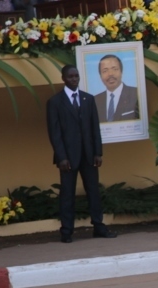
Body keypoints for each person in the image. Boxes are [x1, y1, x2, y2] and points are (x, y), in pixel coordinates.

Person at [46, 65, 117, 243]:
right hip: (68, 158)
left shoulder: (88, 99)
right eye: (70, 77)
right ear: (63, 78)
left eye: (76, 76)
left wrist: (98, 153)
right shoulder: (55, 102)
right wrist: (61, 157)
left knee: (94, 191)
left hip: (89, 155)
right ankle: (67, 231)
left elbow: (95, 128)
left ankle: (99, 227)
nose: (74, 79)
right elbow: (54, 133)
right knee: (67, 194)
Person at [94, 55, 139, 123]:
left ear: (121, 72)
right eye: (105, 71)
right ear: (100, 76)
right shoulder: (95, 100)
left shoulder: (136, 93)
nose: (110, 74)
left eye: (115, 69)